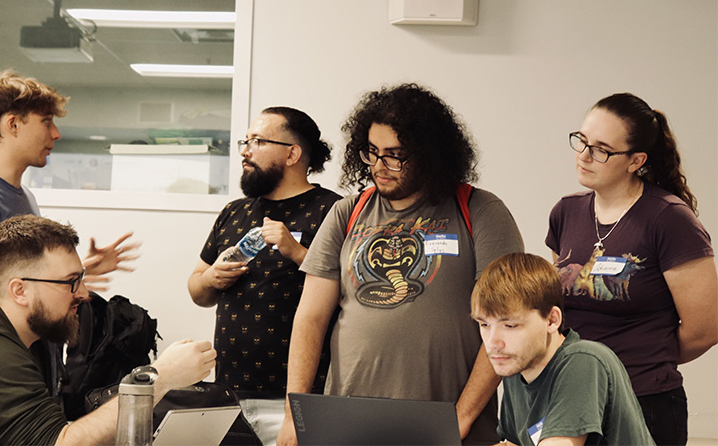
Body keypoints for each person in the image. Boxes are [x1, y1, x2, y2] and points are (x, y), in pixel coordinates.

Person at [277, 83, 524, 446]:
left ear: (429, 154)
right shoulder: (348, 211)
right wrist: (292, 416)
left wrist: (463, 417)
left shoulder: (480, 211)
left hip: (445, 424)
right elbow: (310, 318)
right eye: (372, 152)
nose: (380, 166)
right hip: (348, 420)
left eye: (395, 155)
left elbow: (508, 324)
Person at [0, 214, 216, 446]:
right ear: (19, 291)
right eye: (70, 281)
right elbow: (58, 442)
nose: (84, 293)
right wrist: (159, 380)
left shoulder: (10, 332)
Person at [546, 92, 717, 446]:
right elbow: (555, 306)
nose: (584, 156)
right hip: (573, 395)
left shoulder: (669, 219)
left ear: (636, 160)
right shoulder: (566, 212)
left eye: (601, 149)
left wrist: (643, 361)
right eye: (581, 141)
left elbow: (706, 328)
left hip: (643, 401)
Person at [188, 107, 341, 445]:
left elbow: (352, 292)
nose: (245, 150)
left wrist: (298, 253)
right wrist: (212, 278)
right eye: (246, 141)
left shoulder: (334, 210)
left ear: (293, 153)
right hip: (228, 395)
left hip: (298, 400)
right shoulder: (235, 211)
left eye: (257, 141)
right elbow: (197, 289)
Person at [0, 69, 139, 318]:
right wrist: (46, 288)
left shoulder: (23, 195)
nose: (56, 133)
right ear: (13, 124)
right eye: (46, 121)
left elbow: (23, 280)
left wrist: (74, 274)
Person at [470, 253, 655, 445]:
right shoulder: (516, 364)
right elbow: (513, 443)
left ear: (552, 320)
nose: (492, 342)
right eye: (484, 325)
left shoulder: (583, 361)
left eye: (510, 326)